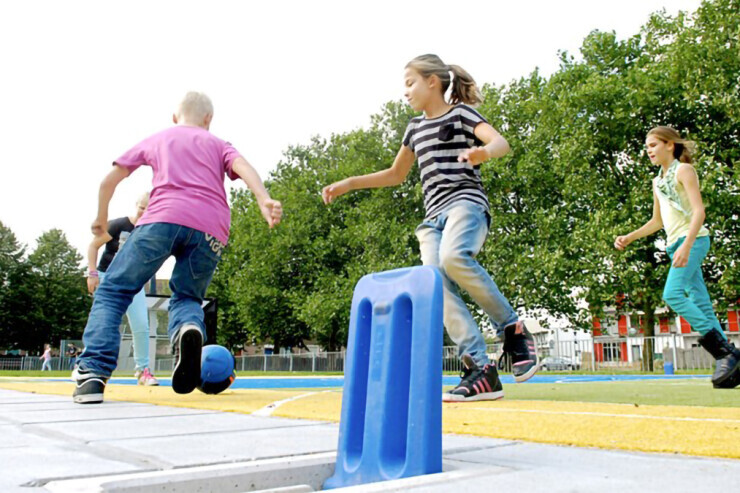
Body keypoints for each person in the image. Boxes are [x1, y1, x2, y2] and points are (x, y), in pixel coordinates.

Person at [322, 54, 539, 402]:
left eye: (410, 83)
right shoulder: (413, 128)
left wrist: (482, 154)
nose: (405, 92)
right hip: (432, 219)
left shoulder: (461, 114)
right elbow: (395, 174)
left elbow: (501, 143)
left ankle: (512, 329)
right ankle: (481, 369)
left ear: (432, 82)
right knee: (434, 282)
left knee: (454, 258)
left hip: (465, 204)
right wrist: (349, 182)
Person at [72, 91, 282, 404]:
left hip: (163, 219)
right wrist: (263, 199)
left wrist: (101, 219)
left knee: (113, 290)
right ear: (208, 119)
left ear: (175, 117)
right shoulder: (220, 144)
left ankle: (91, 374)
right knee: (187, 296)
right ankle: (186, 328)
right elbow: (244, 167)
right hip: (212, 228)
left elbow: (108, 181)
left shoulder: (160, 138)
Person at [615, 126, 739, 389]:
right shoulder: (658, 181)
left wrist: (688, 245)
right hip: (675, 244)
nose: (648, 150)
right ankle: (730, 364)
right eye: (646, 147)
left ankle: (725, 353)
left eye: (653, 145)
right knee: (701, 303)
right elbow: (657, 221)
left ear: (669, 145)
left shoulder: (684, 170)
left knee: (672, 294)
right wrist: (630, 236)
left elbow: (698, 212)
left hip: (692, 241)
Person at [87, 192, 159, 386]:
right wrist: (92, 274)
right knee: (104, 322)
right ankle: (92, 367)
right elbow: (93, 246)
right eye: (141, 207)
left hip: (131, 281)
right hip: (107, 278)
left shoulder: (150, 231)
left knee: (141, 325)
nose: (144, 212)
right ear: (136, 204)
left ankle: (143, 370)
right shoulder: (119, 225)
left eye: (149, 209)